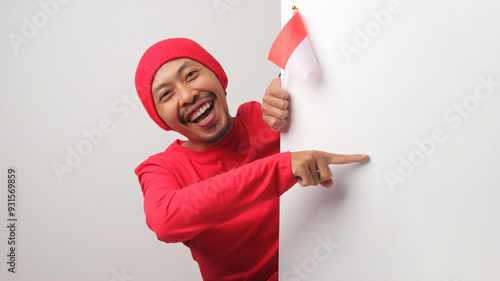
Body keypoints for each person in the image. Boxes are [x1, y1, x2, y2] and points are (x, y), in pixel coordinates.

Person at [134, 38, 368, 281]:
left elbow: (325, 81)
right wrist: (282, 168)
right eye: (166, 94)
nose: (186, 95)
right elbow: (164, 220)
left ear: (217, 75)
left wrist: (289, 88)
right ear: (161, 118)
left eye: (191, 74)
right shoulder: (162, 168)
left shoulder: (267, 120)